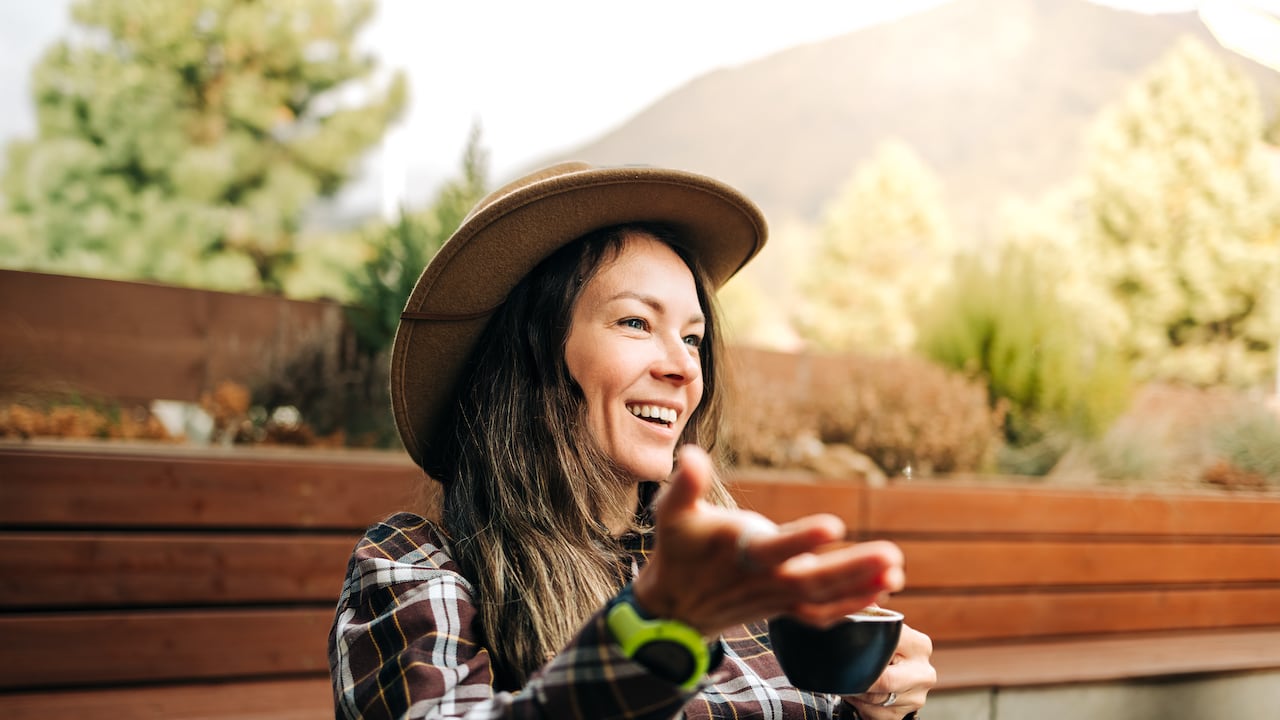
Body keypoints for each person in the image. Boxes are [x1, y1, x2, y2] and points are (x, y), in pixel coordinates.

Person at [329, 162, 936, 719]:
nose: (683, 367)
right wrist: (658, 631)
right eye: (635, 322)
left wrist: (873, 708)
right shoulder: (416, 566)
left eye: (693, 338)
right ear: (533, 356)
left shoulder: (720, 564)